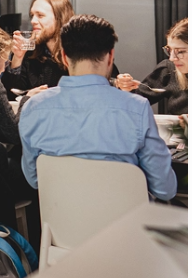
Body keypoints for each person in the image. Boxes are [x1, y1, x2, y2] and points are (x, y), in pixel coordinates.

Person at [19, 15, 176, 201]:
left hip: (63, 227)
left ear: (64, 56)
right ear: (111, 56)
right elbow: (165, 189)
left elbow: (35, 180)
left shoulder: (33, 108)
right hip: (128, 227)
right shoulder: (136, 108)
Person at [1, 0, 75, 96]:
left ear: (59, 19)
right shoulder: (30, 52)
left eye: (40, 15)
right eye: (32, 16)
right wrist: (17, 58)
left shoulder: (76, 54)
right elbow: (9, 94)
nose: (33, 21)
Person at [116, 18, 188, 115]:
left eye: (180, 51)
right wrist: (125, 89)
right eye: (169, 50)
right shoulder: (168, 69)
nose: (172, 58)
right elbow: (135, 103)